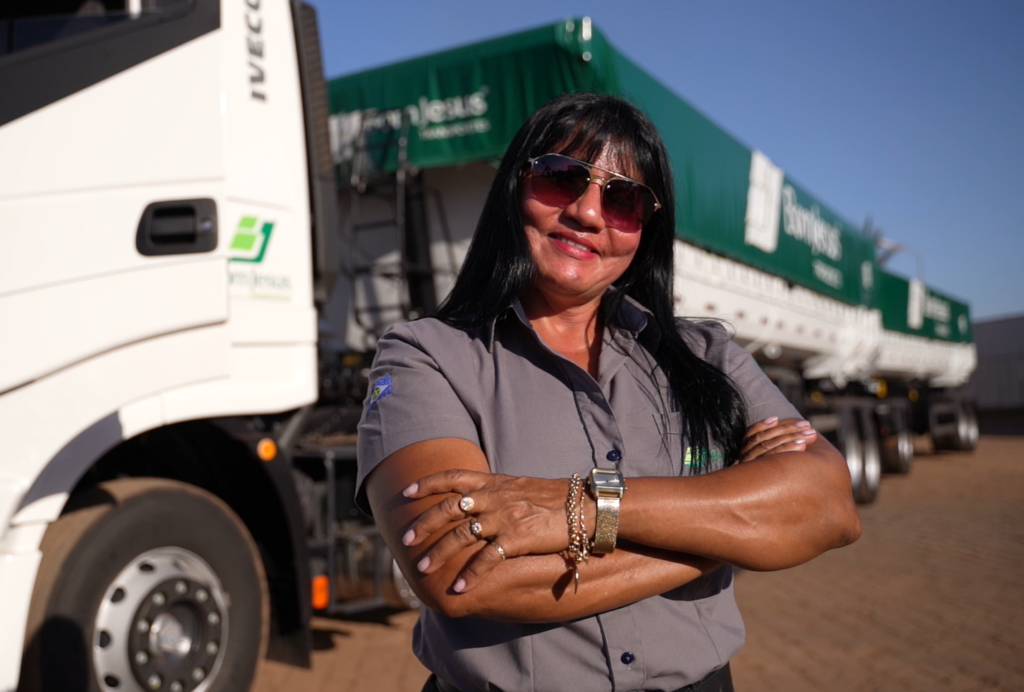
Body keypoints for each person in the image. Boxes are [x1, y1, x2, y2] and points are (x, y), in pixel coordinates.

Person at [356, 92, 861, 692]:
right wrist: (727, 535)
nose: (588, 213)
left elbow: (829, 508)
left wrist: (580, 505)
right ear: (515, 186)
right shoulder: (426, 355)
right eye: (562, 176)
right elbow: (458, 573)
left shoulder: (706, 357)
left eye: (623, 198)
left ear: (648, 228)